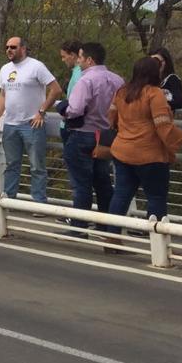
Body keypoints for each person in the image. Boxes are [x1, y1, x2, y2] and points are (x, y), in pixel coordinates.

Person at [106, 57, 182, 241]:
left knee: (121, 195)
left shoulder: (122, 92)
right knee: (156, 197)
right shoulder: (155, 94)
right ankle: (159, 242)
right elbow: (164, 127)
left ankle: (111, 238)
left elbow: (111, 118)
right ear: (155, 73)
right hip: (150, 155)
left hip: (122, 151)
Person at [61, 43, 124, 233]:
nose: (78, 61)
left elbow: (76, 110)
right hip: (105, 137)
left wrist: (64, 109)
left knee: (81, 185)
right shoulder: (118, 80)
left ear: (89, 59)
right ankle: (107, 226)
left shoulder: (86, 80)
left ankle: (79, 227)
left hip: (83, 133)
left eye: (80, 57)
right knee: (103, 182)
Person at [0, 37, 61, 205]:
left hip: (32, 124)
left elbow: (56, 90)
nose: (9, 50)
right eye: (7, 47)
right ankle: (10, 201)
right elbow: (3, 96)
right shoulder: (5, 69)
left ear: (23, 48)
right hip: (10, 124)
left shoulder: (36, 66)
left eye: (13, 47)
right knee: (11, 165)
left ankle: (39, 203)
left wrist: (41, 112)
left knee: (37, 166)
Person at [151, 47, 182, 113]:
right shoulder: (146, 79)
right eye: (152, 61)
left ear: (166, 62)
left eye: (158, 61)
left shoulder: (172, 79)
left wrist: (159, 102)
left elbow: (181, 102)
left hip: (163, 119)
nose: (156, 64)